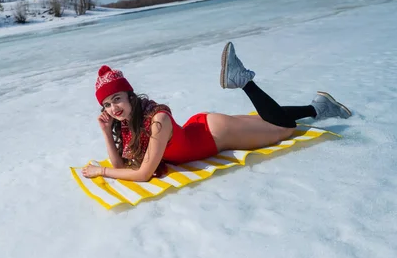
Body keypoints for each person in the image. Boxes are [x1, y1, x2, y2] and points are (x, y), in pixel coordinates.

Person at [82, 42, 351, 181]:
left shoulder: (157, 121)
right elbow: (121, 165)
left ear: (130, 95)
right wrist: (106, 132)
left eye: (116, 99)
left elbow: (141, 174)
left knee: (284, 129)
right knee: (269, 120)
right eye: (106, 104)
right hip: (201, 129)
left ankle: (243, 80)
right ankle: (319, 107)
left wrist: (100, 172)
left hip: (216, 135)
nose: (113, 108)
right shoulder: (129, 122)